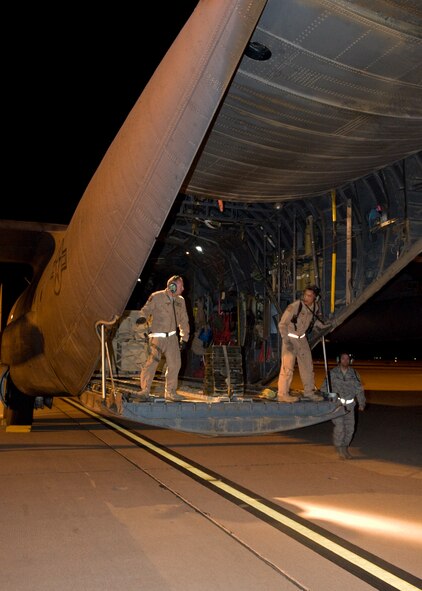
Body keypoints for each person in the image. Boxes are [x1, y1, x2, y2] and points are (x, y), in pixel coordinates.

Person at [134, 275, 190, 402]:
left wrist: (184, 337)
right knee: (150, 364)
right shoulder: (156, 297)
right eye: (181, 286)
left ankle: (170, 392)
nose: (183, 289)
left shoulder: (180, 301)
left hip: (172, 338)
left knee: (175, 364)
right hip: (157, 338)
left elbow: (184, 320)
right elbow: (145, 311)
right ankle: (145, 390)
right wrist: (142, 321)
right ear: (172, 286)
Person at [277, 285, 328, 402]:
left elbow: (313, 322)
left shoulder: (314, 307)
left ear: (315, 297)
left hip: (302, 339)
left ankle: (309, 392)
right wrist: (286, 340)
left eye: (310, 296)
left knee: (307, 367)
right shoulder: (295, 306)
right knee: (287, 367)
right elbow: (282, 324)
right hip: (290, 339)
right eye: (305, 295)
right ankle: (282, 394)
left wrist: (323, 326)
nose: (306, 297)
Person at [320, 352, 366, 459]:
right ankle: (339, 448)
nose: (345, 360)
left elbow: (359, 389)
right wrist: (331, 398)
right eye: (343, 358)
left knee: (350, 429)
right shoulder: (332, 373)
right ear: (339, 360)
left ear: (350, 361)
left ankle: (344, 447)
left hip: (350, 406)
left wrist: (362, 403)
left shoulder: (354, 373)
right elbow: (323, 388)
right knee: (340, 428)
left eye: (347, 359)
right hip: (338, 405)